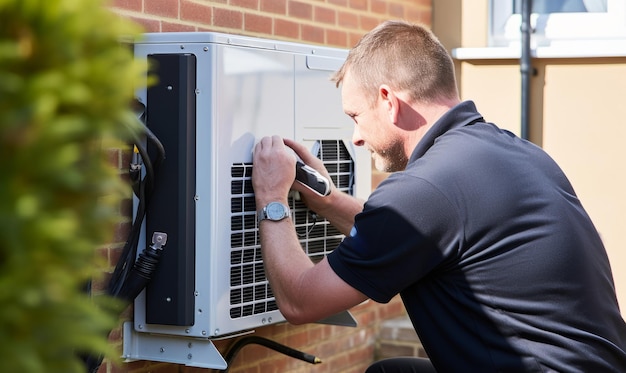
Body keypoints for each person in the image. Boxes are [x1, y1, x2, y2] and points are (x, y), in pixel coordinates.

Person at [251, 20, 626, 372]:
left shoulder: (425, 189)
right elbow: (414, 231)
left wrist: (272, 197)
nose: (357, 138)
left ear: (388, 100)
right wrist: (329, 199)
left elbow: (300, 301)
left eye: (356, 116)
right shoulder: (516, 152)